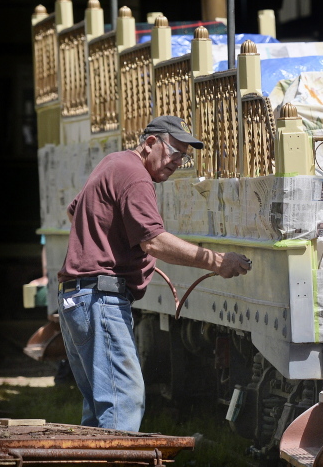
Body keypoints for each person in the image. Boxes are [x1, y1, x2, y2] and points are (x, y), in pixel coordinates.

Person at [57, 115, 251, 431]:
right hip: (99, 297)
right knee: (124, 401)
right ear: (150, 143)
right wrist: (217, 261)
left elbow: (74, 210)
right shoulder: (135, 176)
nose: (179, 161)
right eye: (175, 151)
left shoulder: (113, 162)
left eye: (185, 156)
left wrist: (115, 247)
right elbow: (155, 241)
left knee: (99, 409)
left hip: (78, 298)